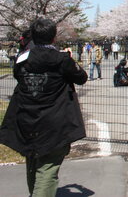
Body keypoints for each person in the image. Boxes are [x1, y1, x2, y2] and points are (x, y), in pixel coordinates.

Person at [0, 18, 87, 197]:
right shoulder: (61, 59)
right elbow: (81, 77)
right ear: (54, 37)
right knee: (47, 169)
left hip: (26, 117)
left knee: (33, 161)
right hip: (54, 121)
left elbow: (18, 76)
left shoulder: (22, 58)